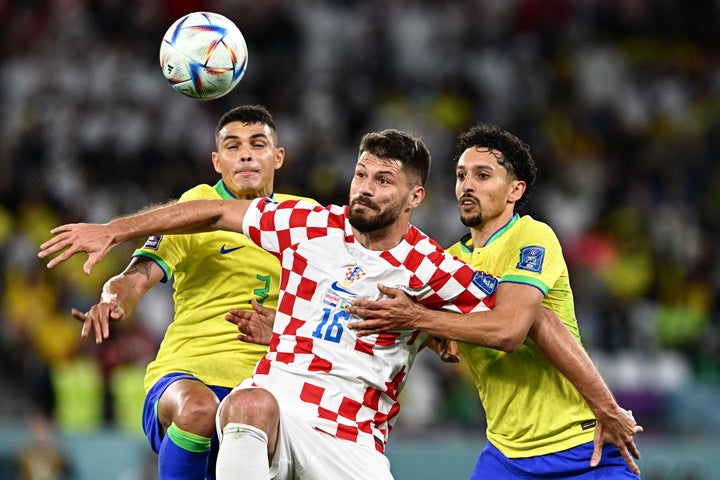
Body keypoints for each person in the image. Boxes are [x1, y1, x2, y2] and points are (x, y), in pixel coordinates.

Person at [38, 129, 639, 480]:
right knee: (245, 404)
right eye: (360, 175)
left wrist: (423, 323)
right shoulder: (307, 222)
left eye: (383, 182)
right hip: (284, 403)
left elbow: (529, 322)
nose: (364, 189)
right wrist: (114, 230)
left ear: (413, 197)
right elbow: (215, 210)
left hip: (354, 439)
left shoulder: (434, 266)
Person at [346, 123, 642, 478]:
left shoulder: (531, 235)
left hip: (581, 450)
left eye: (483, 175)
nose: (467, 185)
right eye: (460, 176)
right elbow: (392, 322)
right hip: (506, 456)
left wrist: (420, 317)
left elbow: (511, 330)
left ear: (515, 190)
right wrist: (282, 323)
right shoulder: (448, 261)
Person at [68, 105, 316, 480]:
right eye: (233, 146)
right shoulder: (194, 208)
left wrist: (284, 328)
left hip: (270, 385)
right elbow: (135, 277)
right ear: (217, 161)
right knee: (199, 409)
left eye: (258, 144)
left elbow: (337, 306)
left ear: (278, 157)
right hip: (188, 375)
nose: (246, 154)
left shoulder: (307, 217)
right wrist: (110, 302)